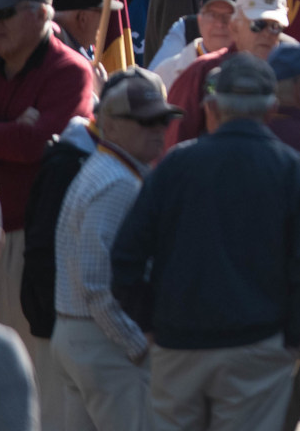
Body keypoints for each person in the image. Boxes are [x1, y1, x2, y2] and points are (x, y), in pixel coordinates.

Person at [109, 53, 300, 431]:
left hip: (181, 344)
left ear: (212, 108)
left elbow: (125, 256)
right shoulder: (295, 171)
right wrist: (291, 338)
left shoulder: (176, 165)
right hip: (256, 346)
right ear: (272, 109)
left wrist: (150, 323)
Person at [52, 69, 178, 431]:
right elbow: (95, 283)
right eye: (146, 121)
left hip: (79, 336)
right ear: (112, 124)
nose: (159, 129)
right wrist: (136, 345)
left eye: (163, 119)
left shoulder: (108, 168)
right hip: (101, 342)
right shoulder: (117, 182)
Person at [0, 0, 95, 338]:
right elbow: (22, 141)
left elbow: (36, 145)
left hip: (29, 241)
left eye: (5, 13)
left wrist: (23, 136)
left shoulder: (69, 71)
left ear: (40, 15)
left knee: (23, 365)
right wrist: (14, 130)